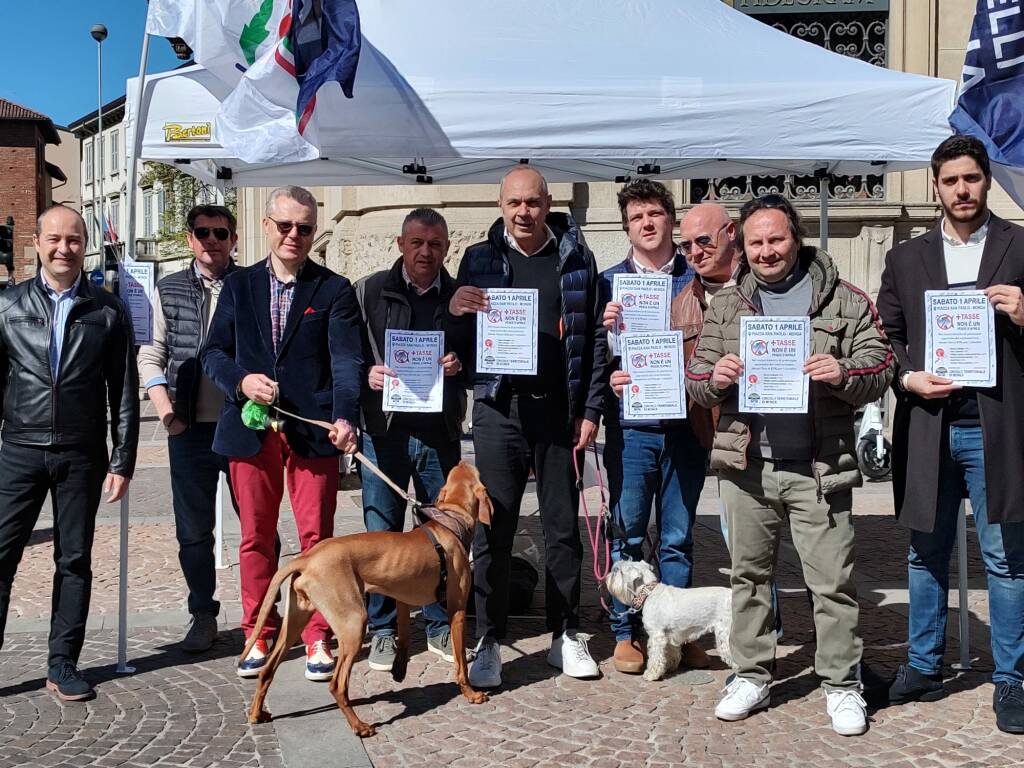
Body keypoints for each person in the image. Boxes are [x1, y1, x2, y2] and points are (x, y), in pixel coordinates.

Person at [685, 194, 893, 736]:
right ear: (741, 244)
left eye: (776, 239)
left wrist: (842, 372)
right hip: (748, 467)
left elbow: (881, 365)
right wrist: (717, 381)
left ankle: (843, 685)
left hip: (818, 467)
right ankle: (751, 673)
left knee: (831, 584)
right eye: (756, 242)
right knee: (748, 577)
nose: (766, 251)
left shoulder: (843, 299)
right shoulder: (727, 305)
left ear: (795, 237)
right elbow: (696, 379)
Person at [876, 135, 1024, 734]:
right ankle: (922, 663)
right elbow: (885, 335)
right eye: (950, 181)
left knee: (1007, 560)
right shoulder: (906, 258)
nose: (962, 190)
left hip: (999, 426)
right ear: (934, 187)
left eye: (972, 178)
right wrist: (909, 376)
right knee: (924, 553)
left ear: (987, 180)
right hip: (930, 427)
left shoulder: (1020, 245)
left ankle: (1011, 678)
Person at [447, 166, 609, 686]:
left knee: (563, 528)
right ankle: (489, 639)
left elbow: (596, 343)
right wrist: (454, 310)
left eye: (533, 203)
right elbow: (459, 338)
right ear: (500, 205)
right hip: (499, 409)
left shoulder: (578, 257)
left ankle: (566, 634)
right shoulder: (478, 258)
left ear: (548, 203)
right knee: (494, 527)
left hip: (558, 408)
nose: (523, 212)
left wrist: (590, 409)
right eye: (514, 203)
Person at [202, 186, 362, 682]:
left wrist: (346, 417)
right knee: (256, 538)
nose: (295, 235)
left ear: (315, 231)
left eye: (305, 227)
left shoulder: (333, 289)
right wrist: (242, 382)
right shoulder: (239, 286)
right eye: (286, 225)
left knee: (318, 542)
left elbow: (346, 362)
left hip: (312, 434)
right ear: (267, 227)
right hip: (251, 433)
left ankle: (318, 635)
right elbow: (213, 354)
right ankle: (258, 631)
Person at [0, 204, 138, 701]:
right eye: (54, 239)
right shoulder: (7, 305)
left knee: (74, 560)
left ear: (87, 244)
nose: (64, 249)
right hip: (18, 450)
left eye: (74, 240)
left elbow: (123, 388)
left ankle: (63, 663)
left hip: (81, 454)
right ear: (36, 242)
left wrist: (123, 459)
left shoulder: (106, 310)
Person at [598, 181, 707, 674]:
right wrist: (608, 364)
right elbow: (585, 360)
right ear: (626, 226)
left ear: (671, 220)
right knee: (629, 534)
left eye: (656, 214)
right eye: (638, 216)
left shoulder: (697, 279)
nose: (648, 223)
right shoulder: (607, 284)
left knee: (679, 535)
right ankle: (627, 633)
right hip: (633, 426)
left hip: (687, 421)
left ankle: (680, 632)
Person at [354, 207, 465, 671]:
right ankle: (382, 629)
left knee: (442, 536)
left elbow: (483, 359)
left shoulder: (461, 296)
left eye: (435, 244)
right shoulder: (368, 291)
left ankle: (438, 622)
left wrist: (461, 367)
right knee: (382, 532)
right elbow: (344, 355)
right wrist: (368, 375)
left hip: (438, 432)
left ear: (446, 248)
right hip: (385, 432)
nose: (426, 252)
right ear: (400, 244)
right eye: (417, 242)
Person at [138, 204, 241, 653]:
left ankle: (264, 610)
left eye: (220, 232)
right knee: (193, 532)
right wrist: (166, 414)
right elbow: (150, 355)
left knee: (258, 527)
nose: (211, 240)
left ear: (233, 239)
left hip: (242, 428)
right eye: (202, 232)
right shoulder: (169, 289)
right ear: (190, 239)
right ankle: (203, 613)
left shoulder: (249, 285)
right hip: (189, 430)